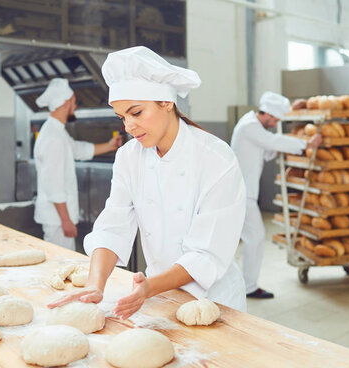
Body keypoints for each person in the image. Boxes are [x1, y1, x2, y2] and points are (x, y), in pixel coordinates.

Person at [48, 46, 247, 319]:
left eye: (136, 113)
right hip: (159, 297)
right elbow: (113, 225)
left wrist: (150, 287)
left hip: (215, 301)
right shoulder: (129, 157)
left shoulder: (216, 158)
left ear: (166, 103)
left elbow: (207, 252)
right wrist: (96, 284)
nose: (128, 126)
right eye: (122, 117)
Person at [231, 92, 321, 299]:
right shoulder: (249, 126)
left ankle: (244, 285)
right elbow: (273, 142)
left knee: (250, 237)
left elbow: (267, 149)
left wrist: (283, 148)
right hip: (240, 192)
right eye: (276, 119)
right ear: (269, 115)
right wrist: (307, 144)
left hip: (244, 191)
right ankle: (248, 287)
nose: (276, 123)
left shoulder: (252, 125)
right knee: (255, 237)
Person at [34, 78, 122, 250]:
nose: (75, 107)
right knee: (61, 263)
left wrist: (110, 145)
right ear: (65, 103)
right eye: (74, 103)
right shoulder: (53, 138)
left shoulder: (57, 132)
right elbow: (54, 184)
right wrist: (66, 220)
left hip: (57, 218)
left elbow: (77, 149)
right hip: (57, 220)